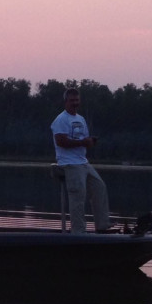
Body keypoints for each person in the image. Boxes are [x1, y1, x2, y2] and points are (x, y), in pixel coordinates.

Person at [50, 88, 112, 234]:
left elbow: (82, 140)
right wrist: (83, 142)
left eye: (77, 100)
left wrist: (90, 142)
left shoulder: (81, 119)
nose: (75, 103)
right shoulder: (61, 120)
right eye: (72, 100)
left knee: (99, 187)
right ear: (66, 101)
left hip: (83, 162)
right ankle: (78, 232)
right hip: (69, 163)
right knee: (78, 196)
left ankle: (102, 226)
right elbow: (61, 141)